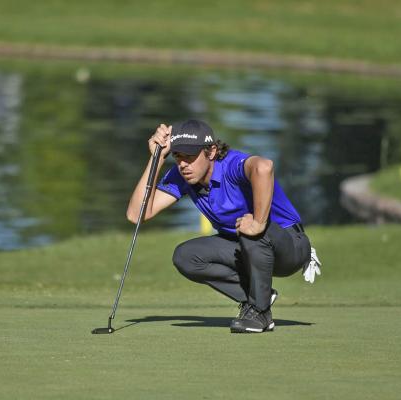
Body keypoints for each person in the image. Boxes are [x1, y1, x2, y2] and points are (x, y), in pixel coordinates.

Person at [126, 119, 321, 334]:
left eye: (190, 157)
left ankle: (260, 311)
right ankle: (257, 296)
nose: (183, 165)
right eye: (178, 157)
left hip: (289, 245)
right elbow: (137, 214)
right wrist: (156, 158)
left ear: (211, 151)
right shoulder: (182, 176)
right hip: (247, 248)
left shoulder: (231, 165)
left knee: (248, 226)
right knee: (186, 256)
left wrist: (258, 223)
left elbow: (264, 167)